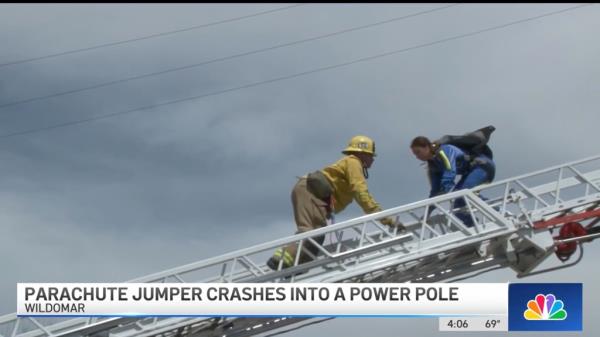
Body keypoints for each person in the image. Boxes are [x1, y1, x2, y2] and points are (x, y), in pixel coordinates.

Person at [267, 135, 401, 271]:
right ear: (361, 153)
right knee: (311, 234)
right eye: (371, 155)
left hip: (310, 193)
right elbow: (361, 194)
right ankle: (281, 259)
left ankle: (296, 269)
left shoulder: (350, 164)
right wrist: (387, 220)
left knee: (317, 237)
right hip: (310, 193)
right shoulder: (354, 162)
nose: (372, 159)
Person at [410, 135, 496, 227]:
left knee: (463, 193)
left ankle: (497, 210)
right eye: (415, 154)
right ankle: (472, 226)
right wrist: (428, 211)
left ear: (426, 147)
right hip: (471, 171)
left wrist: (446, 189)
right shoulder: (434, 167)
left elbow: (449, 170)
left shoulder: (444, 151)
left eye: (418, 152)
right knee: (457, 206)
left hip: (482, 166)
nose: (417, 157)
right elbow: (435, 191)